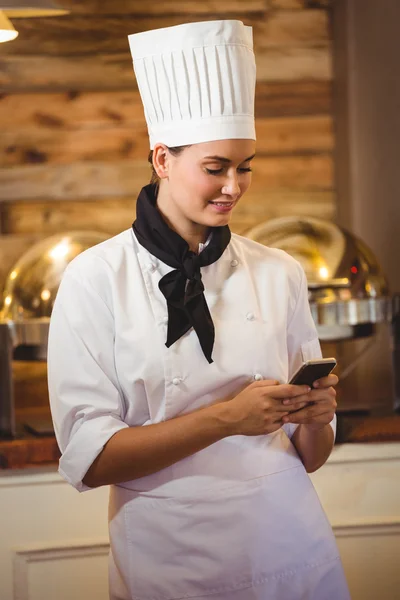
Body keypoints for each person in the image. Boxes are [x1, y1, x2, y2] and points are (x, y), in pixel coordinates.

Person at [48, 20, 351, 600]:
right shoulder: (94, 279)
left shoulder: (278, 271)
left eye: (246, 167)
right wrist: (227, 419)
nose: (234, 186)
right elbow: (90, 458)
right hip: (169, 555)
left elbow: (310, 457)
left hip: (290, 545)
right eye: (216, 168)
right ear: (162, 159)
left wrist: (314, 417)